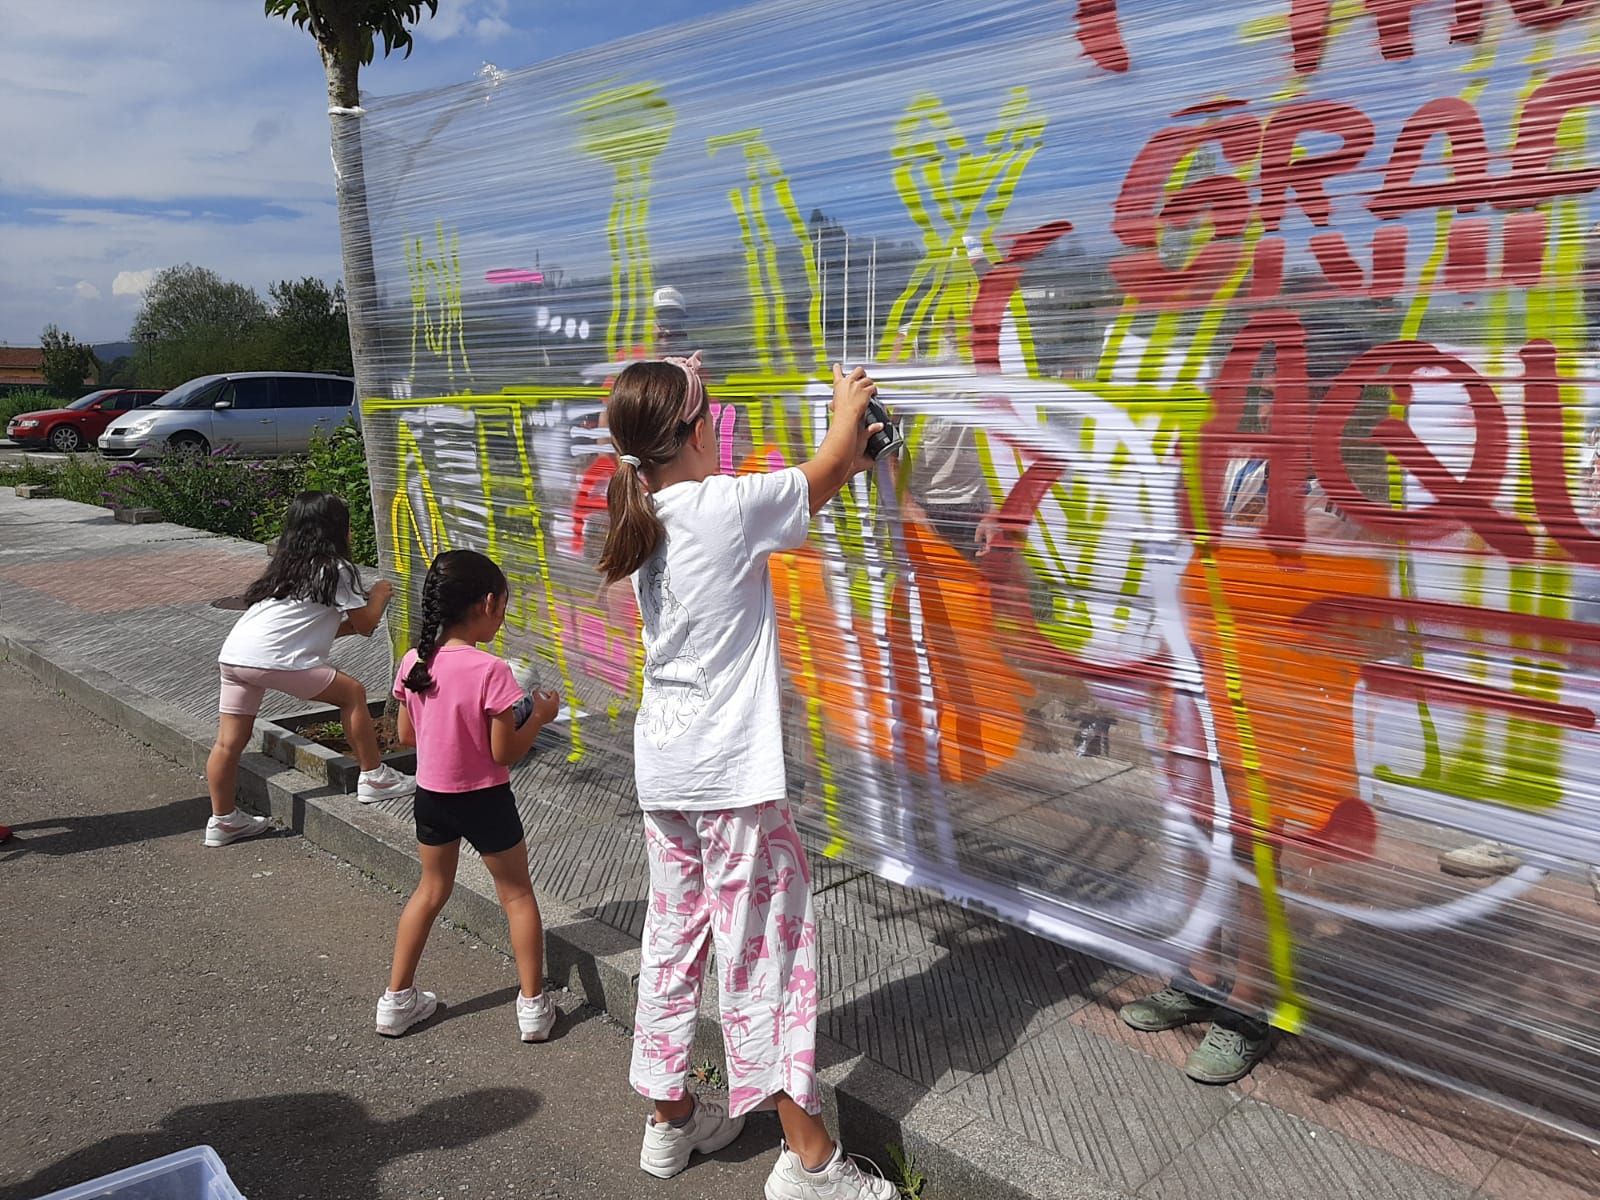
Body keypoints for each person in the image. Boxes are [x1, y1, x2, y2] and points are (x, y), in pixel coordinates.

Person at [599, 354, 895, 1199]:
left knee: (673, 940)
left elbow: (669, 424)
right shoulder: (728, 506)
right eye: (711, 414)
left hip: (669, 771)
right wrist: (850, 402)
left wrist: (676, 377)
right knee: (762, 957)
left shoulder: (646, 506)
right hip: (731, 778)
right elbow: (832, 465)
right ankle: (811, 1163)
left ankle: (671, 1123)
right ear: (699, 430)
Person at [377, 549, 564, 1040]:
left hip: (431, 798)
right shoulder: (490, 670)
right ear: (485, 603)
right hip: (485, 800)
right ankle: (532, 1008)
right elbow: (505, 753)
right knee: (517, 895)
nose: (501, 619)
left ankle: (395, 1002)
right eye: (502, 607)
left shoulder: (414, 660)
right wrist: (539, 717)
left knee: (430, 891)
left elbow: (407, 737)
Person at [208, 492, 414, 848]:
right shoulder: (337, 568)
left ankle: (223, 820)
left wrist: (358, 618)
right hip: (271, 660)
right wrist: (379, 595)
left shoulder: (285, 567)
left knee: (228, 742)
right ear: (337, 530)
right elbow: (364, 624)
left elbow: (318, 626)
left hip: (235, 655)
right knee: (353, 693)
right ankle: (374, 777)